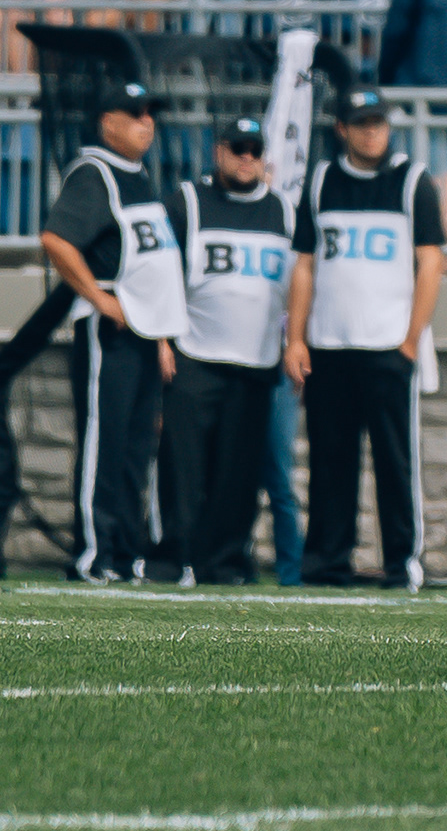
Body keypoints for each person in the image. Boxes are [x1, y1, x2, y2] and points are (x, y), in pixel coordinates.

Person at [286, 85, 445, 591]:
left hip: (387, 347)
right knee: (331, 463)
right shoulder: (321, 182)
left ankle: (402, 563)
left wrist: (410, 341)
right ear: (342, 130)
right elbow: (305, 266)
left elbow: (431, 264)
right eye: (361, 124)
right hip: (330, 347)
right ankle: (326, 562)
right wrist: (296, 338)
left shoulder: (412, 181)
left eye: (378, 122)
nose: (371, 132)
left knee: (395, 462)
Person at [40, 76, 182, 583]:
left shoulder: (139, 175)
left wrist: (163, 335)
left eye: (151, 114)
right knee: (106, 441)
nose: (148, 124)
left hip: (146, 333)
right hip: (110, 331)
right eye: (137, 114)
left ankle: (126, 552)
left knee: (136, 447)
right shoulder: (94, 173)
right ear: (109, 122)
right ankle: (95, 553)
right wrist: (98, 298)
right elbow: (57, 239)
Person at [165, 114, 291, 586]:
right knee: (184, 470)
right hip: (196, 355)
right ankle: (176, 559)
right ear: (218, 151)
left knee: (239, 477)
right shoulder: (189, 201)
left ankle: (224, 565)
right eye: (238, 148)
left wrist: (294, 342)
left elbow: (301, 281)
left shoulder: (284, 209)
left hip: (257, 363)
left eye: (255, 150)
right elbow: (162, 274)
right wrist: (162, 339)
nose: (246, 158)